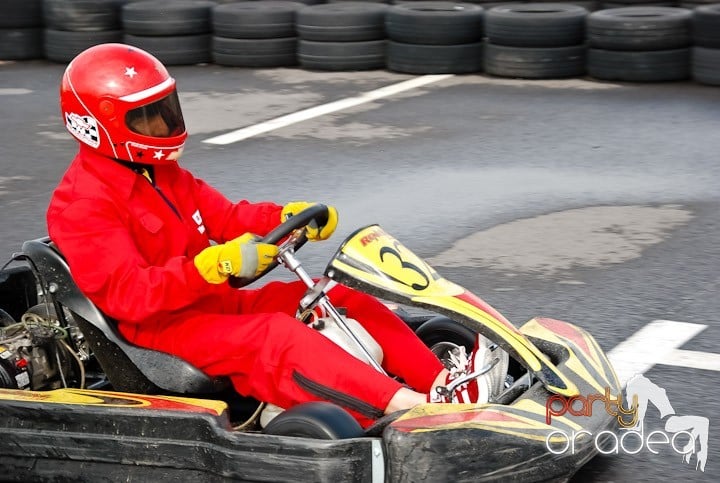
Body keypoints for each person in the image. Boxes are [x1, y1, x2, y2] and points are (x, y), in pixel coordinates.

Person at [47, 43, 491, 428]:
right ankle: (417, 412)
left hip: (215, 306)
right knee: (276, 335)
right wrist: (213, 266)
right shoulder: (82, 204)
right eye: (146, 118)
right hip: (161, 332)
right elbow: (127, 296)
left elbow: (225, 218)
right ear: (99, 126)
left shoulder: (161, 173)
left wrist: (286, 216)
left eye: (164, 110)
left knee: (336, 295)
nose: (163, 124)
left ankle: (446, 384)